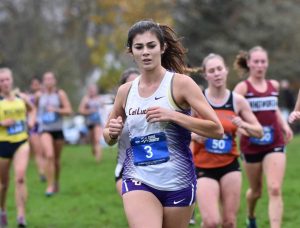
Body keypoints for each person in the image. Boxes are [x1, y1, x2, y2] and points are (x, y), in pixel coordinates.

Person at [103, 20, 224, 228]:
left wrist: (174, 116)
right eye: (139, 47)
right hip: (137, 177)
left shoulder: (181, 84)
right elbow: (108, 136)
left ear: (162, 47)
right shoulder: (125, 91)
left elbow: (217, 129)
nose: (145, 52)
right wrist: (112, 133)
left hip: (178, 180)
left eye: (151, 46)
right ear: (131, 51)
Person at [192, 54, 263, 228]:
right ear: (205, 75)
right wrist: (196, 136)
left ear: (226, 71)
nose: (216, 74)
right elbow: (181, 130)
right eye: (211, 71)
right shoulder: (197, 100)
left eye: (219, 69)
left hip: (229, 165)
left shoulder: (237, 101)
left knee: (229, 222)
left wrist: (243, 124)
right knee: (211, 222)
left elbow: (259, 132)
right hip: (203, 166)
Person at [233, 46, 293, 228]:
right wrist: (242, 130)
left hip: (274, 142)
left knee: (275, 188)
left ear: (267, 64)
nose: (260, 65)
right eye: (256, 61)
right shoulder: (243, 88)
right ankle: (251, 216)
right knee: (256, 191)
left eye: (263, 62)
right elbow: (232, 113)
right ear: (249, 63)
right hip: (251, 145)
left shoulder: (273, 85)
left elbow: (273, 108)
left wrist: (284, 126)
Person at [0, 68, 36, 227]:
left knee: (20, 178)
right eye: (1, 81)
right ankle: (2, 210)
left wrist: (31, 122)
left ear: (12, 80)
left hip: (21, 141)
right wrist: (1, 123)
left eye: (7, 79)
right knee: (3, 184)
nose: (5, 83)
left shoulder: (21, 98)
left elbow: (32, 109)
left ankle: (21, 217)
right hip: (3, 144)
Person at [37, 72, 72, 196]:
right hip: (44, 130)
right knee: (49, 155)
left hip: (58, 130)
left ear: (55, 81)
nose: (48, 81)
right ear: (43, 82)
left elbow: (69, 110)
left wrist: (56, 110)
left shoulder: (60, 94)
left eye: (51, 78)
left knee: (56, 160)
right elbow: (33, 110)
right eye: (46, 79)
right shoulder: (39, 95)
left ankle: (56, 181)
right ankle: (49, 186)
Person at [114, 68, 139, 196]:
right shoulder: (118, 111)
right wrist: (113, 132)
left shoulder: (155, 106)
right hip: (126, 169)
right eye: (130, 84)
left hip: (156, 168)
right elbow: (109, 138)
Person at [78, 84, 104, 162]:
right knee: (92, 141)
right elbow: (81, 110)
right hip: (89, 122)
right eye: (91, 90)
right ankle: (94, 149)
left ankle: (98, 160)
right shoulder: (86, 99)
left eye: (93, 89)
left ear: (96, 90)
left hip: (98, 122)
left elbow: (104, 110)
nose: (92, 91)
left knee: (97, 139)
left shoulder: (100, 99)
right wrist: (90, 111)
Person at [27, 77, 46, 181]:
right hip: (34, 126)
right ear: (31, 86)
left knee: (44, 151)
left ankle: (46, 170)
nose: (35, 86)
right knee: (38, 151)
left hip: (45, 125)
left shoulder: (45, 96)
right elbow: (32, 108)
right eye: (33, 84)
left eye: (37, 84)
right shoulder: (28, 98)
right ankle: (42, 173)